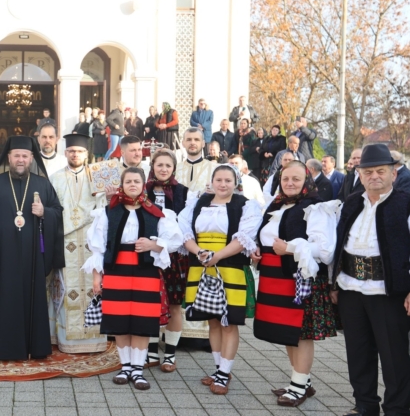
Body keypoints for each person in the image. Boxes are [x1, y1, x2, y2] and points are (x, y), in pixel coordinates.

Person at [329, 144, 410, 416]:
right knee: (358, 354)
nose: (374, 176)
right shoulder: (351, 203)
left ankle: (396, 410)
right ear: (359, 175)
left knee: (393, 356)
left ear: (393, 174)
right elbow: (339, 244)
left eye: (380, 171)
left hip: (388, 293)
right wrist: (334, 284)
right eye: (368, 171)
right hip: (350, 289)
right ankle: (365, 406)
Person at [83, 167, 182, 390]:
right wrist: (97, 277)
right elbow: (97, 247)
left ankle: (138, 369)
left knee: (141, 321)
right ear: (122, 184)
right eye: (128, 181)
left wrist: (152, 245)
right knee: (119, 322)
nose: (133, 185)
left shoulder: (156, 211)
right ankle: (125, 366)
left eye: (137, 181)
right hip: (117, 271)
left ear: (143, 184)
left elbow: (175, 240)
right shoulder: (109, 211)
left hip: (145, 272)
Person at [252, 161, 338, 407]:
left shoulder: (316, 208)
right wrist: (258, 250)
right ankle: (303, 382)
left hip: (300, 278)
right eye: (285, 178)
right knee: (287, 332)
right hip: (273, 278)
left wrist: (289, 248)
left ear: (307, 181)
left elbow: (325, 251)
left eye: (296, 179)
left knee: (300, 334)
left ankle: (298, 387)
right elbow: (267, 236)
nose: (289, 183)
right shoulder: (276, 204)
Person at [0, 136, 64, 360]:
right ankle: (1, 347)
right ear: (9, 157)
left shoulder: (42, 184)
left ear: (32, 158)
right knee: (3, 298)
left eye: (25, 156)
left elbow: (57, 211)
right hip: (1, 258)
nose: (21, 160)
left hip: (32, 257)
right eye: (17, 156)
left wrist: (45, 213)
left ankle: (36, 346)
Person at [179, 164, 262, 395]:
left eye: (228, 180)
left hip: (230, 265)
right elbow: (184, 231)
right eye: (219, 180)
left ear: (235, 183)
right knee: (212, 320)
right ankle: (218, 369)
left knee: (228, 322)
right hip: (202, 264)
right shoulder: (197, 203)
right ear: (212, 181)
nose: (223, 184)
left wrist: (217, 256)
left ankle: (224, 373)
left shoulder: (245, 205)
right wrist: (199, 253)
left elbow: (244, 237)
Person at [49, 134, 108, 354]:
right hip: (65, 241)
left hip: (92, 241)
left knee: (95, 287)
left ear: (87, 153)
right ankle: (66, 340)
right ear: (65, 153)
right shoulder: (54, 178)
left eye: (80, 151)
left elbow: (105, 206)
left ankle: (95, 340)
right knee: (66, 288)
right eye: (72, 151)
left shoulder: (98, 176)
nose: (76, 154)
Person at [143, 149, 190, 372]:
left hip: (176, 256)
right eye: (159, 165)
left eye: (167, 166)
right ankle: (151, 351)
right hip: (149, 253)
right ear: (153, 167)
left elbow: (188, 221)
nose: (163, 169)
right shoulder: (143, 190)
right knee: (150, 303)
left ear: (173, 168)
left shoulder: (183, 192)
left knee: (174, 305)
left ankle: (169, 354)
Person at [176, 128, 217, 194]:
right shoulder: (175, 169)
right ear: (183, 143)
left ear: (203, 143)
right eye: (189, 140)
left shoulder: (215, 169)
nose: (192, 143)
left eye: (196, 140)